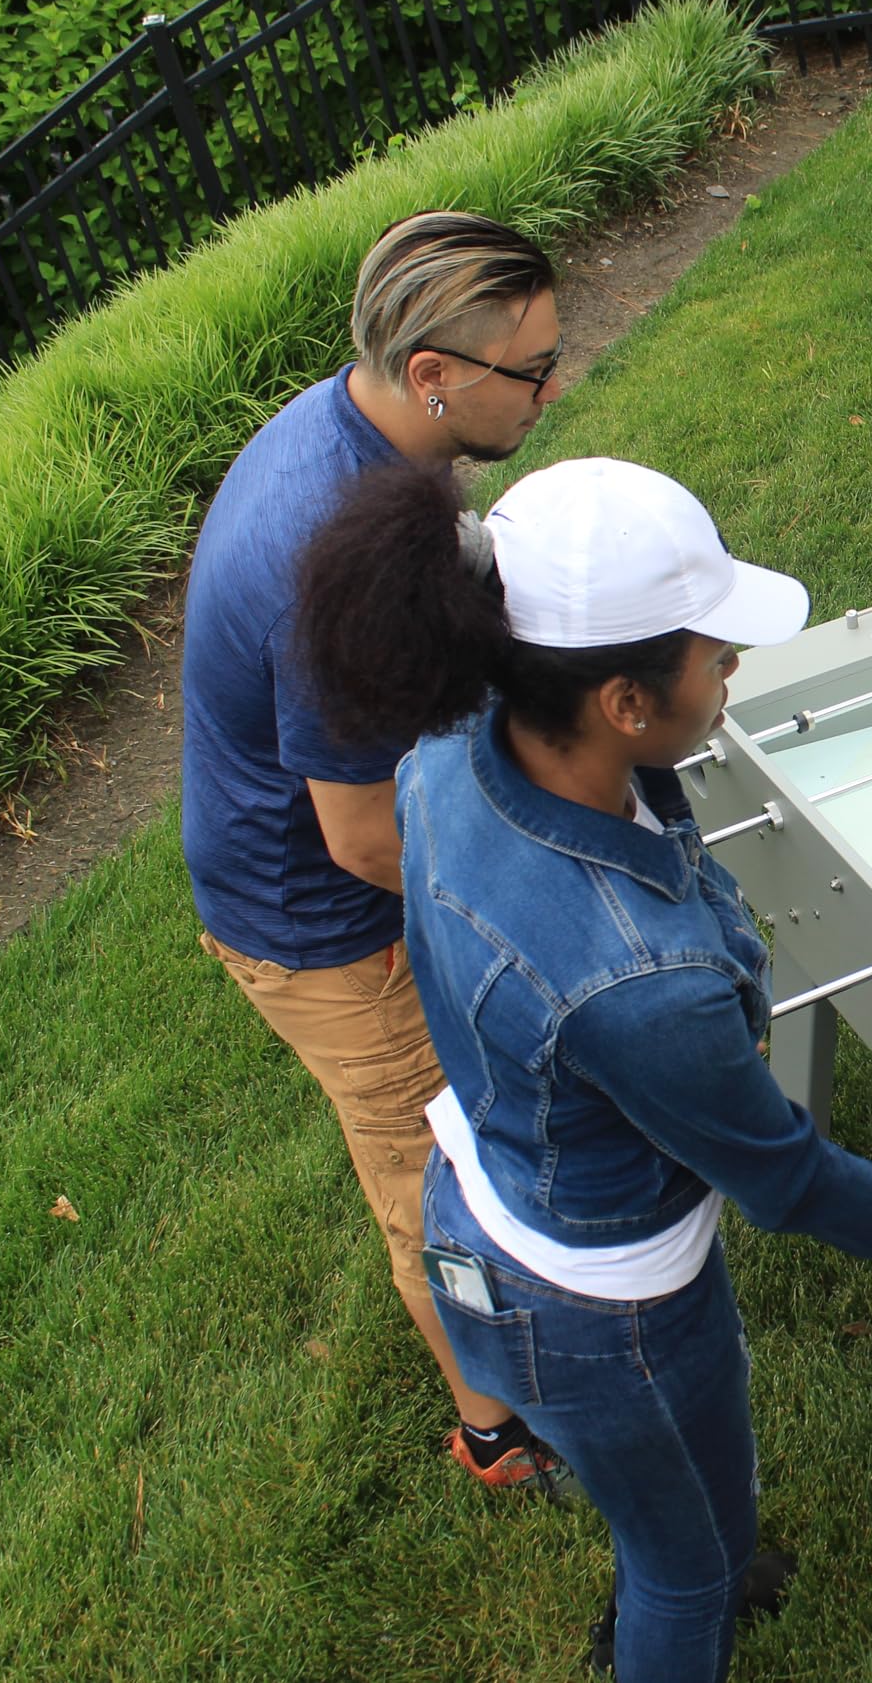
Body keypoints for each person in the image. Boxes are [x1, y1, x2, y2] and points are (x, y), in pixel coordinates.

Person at [294, 455, 872, 1679]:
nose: (733, 674)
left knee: (687, 1485)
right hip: (599, 1314)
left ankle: (705, 1546)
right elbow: (780, 1176)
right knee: (676, 1577)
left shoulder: (456, 745)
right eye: (714, 657)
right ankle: (680, 1600)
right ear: (623, 701)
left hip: (488, 1205)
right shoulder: (641, 989)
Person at [181, 211, 571, 1490]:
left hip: (339, 846)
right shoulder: (319, 543)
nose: (554, 388)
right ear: (431, 375)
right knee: (431, 1175)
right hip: (320, 925)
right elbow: (356, 840)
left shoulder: (370, 426)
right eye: (531, 370)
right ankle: (498, 1426)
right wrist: (534, 878)